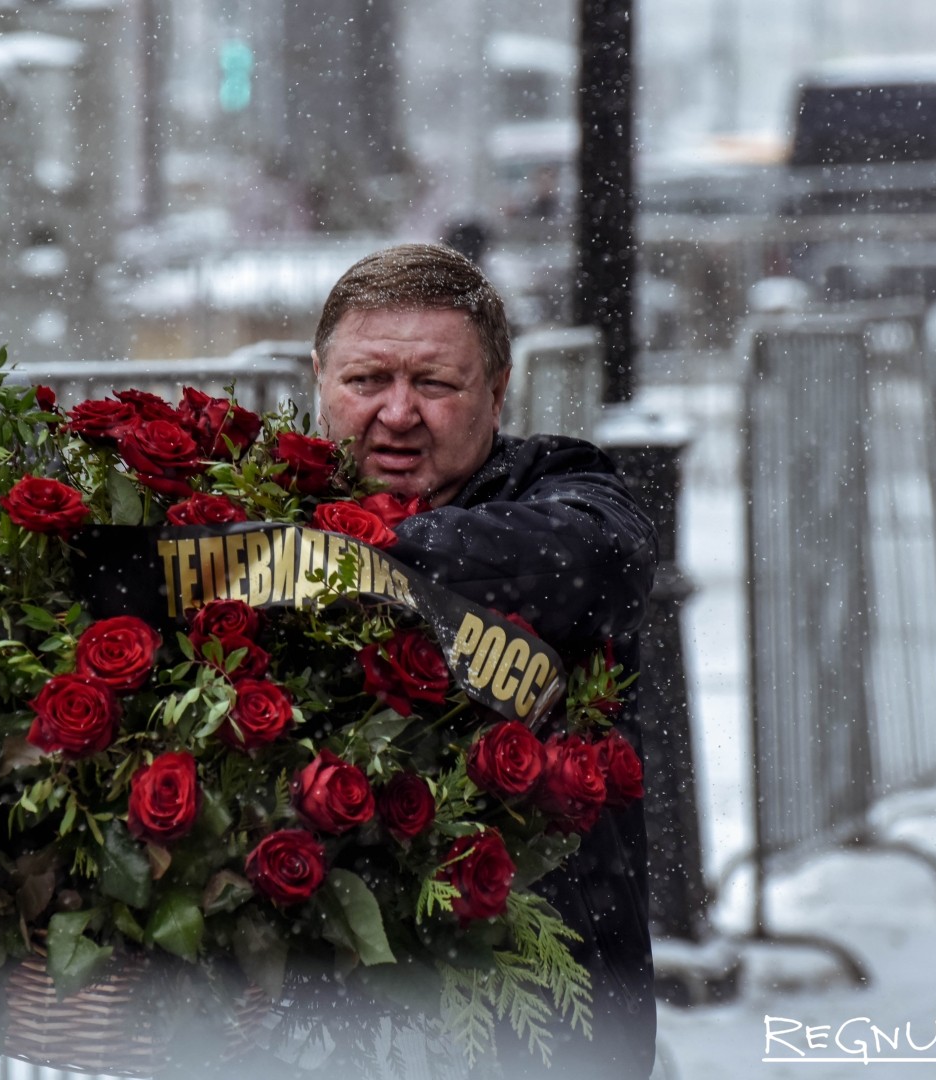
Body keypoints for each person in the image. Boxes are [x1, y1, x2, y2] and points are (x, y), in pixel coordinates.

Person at [312, 243, 658, 1079]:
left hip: (541, 1009)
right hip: (317, 1011)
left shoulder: (559, 486)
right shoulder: (266, 504)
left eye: (434, 384)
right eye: (367, 382)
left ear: (496, 393)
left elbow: (602, 557)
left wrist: (360, 554)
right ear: (318, 377)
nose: (397, 414)